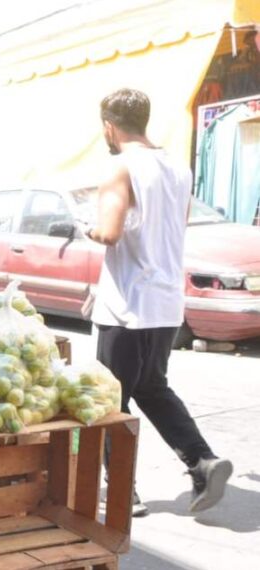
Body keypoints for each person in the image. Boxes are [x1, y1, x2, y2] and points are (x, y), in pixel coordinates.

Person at [81, 88, 233, 515]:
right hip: (165, 303)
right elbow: (175, 225)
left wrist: (87, 227)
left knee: (109, 400)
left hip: (126, 305)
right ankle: (202, 462)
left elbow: (109, 233)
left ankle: (122, 491)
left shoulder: (120, 167)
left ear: (109, 126)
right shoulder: (178, 168)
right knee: (150, 387)